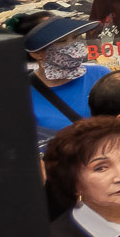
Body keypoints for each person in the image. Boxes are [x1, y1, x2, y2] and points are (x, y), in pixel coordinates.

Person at [19, 14, 110, 143]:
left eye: (75, 38)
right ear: (36, 53)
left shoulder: (100, 75)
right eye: (62, 41)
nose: (73, 46)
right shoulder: (22, 95)